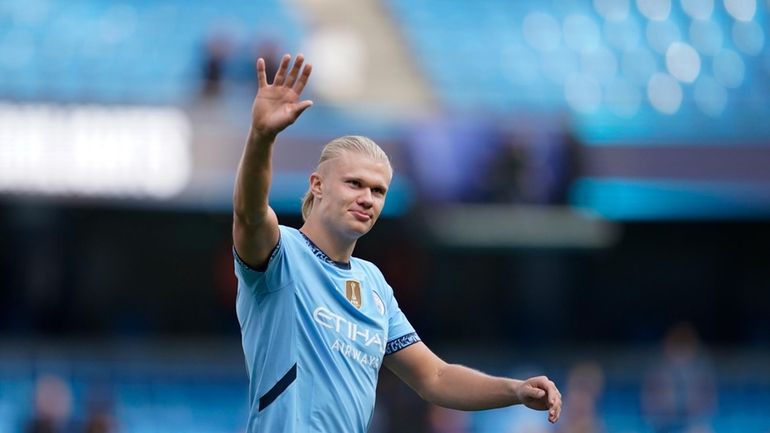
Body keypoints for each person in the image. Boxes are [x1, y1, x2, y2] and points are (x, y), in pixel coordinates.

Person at [232, 53, 563, 433]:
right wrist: (261, 136)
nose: (367, 198)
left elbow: (434, 377)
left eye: (378, 190)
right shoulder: (282, 255)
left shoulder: (373, 285)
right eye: (354, 183)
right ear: (317, 185)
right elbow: (250, 214)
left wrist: (515, 390)